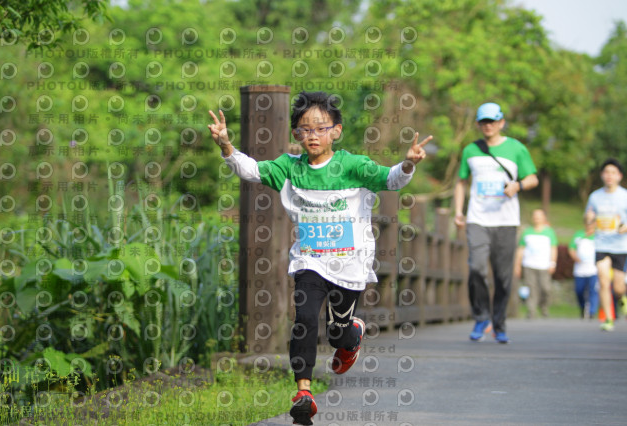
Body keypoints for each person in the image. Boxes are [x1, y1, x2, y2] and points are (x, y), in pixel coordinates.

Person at [207, 91, 432, 425]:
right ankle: (303, 392)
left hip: (350, 265)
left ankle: (350, 335)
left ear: (336, 132)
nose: (312, 135)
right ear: (297, 134)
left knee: (337, 331)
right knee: (305, 320)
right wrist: (226, 145)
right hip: (309, 262)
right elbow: (252, 170)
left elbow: (391, 179)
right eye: (305, 129)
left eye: (320, 128)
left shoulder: (354, 166)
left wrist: (409, 162)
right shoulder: (289, 168)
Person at [454, 102, 538, 343]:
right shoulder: (470, 150)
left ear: (501, 122)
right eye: (483, 122)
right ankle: (481, 316)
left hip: (506, 221)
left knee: (503, 276)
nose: (487, 125)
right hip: (478, 219)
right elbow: (461, 181)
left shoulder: (516, 148)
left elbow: (532, 178)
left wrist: (518, 185)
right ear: (478, 124)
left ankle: (499, 323)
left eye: (492, 121)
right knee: (477, 268)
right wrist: (459, 211)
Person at [584, 158, 627, 331]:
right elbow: (588, 216)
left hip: (620, 246)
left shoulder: (625, 196)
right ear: (602, 175)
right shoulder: (595, 196)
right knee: (603, 280)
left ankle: (621, 298)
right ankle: (608, 319)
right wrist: (588, 219)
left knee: (617, 287)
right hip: (601, 244)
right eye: (606, 172)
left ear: (619, 176)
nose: (609, 176)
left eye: (613, 173)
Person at [514, 209, 558, 318]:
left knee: (545, 288)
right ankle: (531, 311)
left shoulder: (549, 232)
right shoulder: (527, 231)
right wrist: (517, 264)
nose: (536, 218)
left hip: (544, 265)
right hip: (529, 264)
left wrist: (553, 263)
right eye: (535, 216)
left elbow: (553, 248)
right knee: (531, 288)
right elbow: (521, 249)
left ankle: (544, 307)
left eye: (539, 216)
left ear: (544, 218)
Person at [568, 218, 598, 318]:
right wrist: (575, 257)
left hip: (593, 269)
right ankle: (582, 307)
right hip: (580, 269)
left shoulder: (598, 236)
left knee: (593, 291)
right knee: (579, 290)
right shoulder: (578, 235)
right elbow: (571, 248)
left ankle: (592, 312)